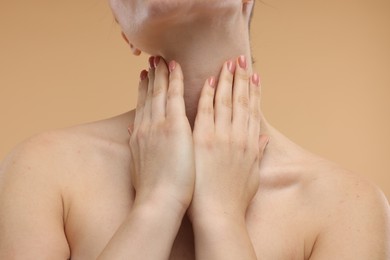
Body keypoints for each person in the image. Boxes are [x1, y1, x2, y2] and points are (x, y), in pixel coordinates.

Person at [0, 0, 389, 259]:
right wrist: (158, 202)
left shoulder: (348, 207)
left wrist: (220, 217)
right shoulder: (42, 170)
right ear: (124, 30)